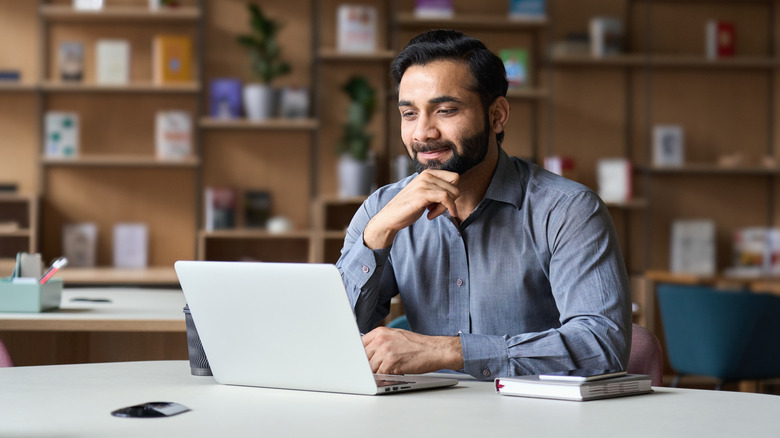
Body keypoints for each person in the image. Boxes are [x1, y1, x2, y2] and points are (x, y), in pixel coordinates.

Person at [336, 29, 632, 380]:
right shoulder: (381, 209)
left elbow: (602, 346)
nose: (422, 133)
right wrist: (377, 237)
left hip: (539, 419)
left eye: (445, 110)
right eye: (410, 114)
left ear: (497, 116)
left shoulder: (568, 210)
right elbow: (330, 339)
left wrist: (451, 351)